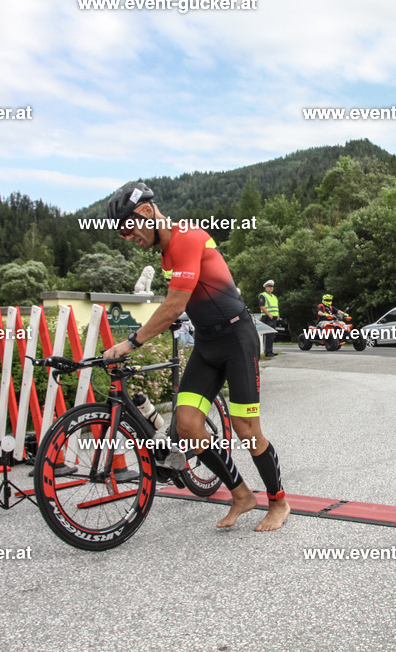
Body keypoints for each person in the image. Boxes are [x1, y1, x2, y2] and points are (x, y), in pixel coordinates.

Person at [102, 181, 290, 532]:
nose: (127, 238)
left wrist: (131, 343)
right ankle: (241, 495)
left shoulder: (187, 236)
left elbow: (175, 305)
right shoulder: (165, 254)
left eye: (127, 229)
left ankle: (278, 501)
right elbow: (185, 299)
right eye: (121, 234)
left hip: (236, 339)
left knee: (246, 429)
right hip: (207, 343)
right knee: (187, 426)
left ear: (146, 212)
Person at [258, 280, 279, 358]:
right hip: (267, 318)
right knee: (269, 335)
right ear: (266, 287)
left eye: (272, 286)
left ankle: (270, 351)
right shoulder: (263, 296)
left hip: (273, 318)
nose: (271, 288)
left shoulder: (274, 297)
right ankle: (267, 352)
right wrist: (268, 314)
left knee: (272, 335)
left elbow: (276, 307)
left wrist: (278, 315)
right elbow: (261, 306)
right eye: (269, 286)